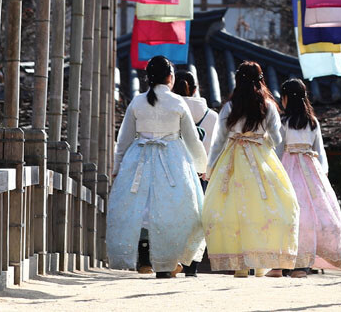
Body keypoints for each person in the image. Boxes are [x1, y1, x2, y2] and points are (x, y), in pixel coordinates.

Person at [106, 56, 207, 278]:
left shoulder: (137, 101)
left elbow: (123, 139)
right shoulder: (178, 102)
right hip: (172, 158)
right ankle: (168, 260)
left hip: (139, 158)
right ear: (170, 77)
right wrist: (201, 165)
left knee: (140, 208)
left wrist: (117, 166)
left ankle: (144, 259)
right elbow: (192, 139)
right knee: (175, 208)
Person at [203, 61, 299, 277]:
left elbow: (218, 141)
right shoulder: (268, 106)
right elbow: (276, 138)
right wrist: (261, 137)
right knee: (265, 206)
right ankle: (261, 257)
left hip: (233, 159)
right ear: (261, 79)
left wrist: (210, 168)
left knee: (233, 207)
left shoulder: (229, 107)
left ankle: (240, 262)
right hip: (260, 157)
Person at [276, 78, 341, 276]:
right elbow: (320, 151)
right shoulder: (313, 123)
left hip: (288, 169)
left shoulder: (283, 122)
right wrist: (322, 175)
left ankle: (285, 260)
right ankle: (303, 264)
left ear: (286, 98)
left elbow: (279, 150)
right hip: (311, 168)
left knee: (288, 213)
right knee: (311, 216)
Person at [173, 70, 219, 277]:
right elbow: (215, 150)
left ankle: (172, 260)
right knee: (198, 219)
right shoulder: (212, 117)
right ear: (195, 89)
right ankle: (192, 263)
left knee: (173, 216)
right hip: (202, 175)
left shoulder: (170, 112)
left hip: (173, 171)